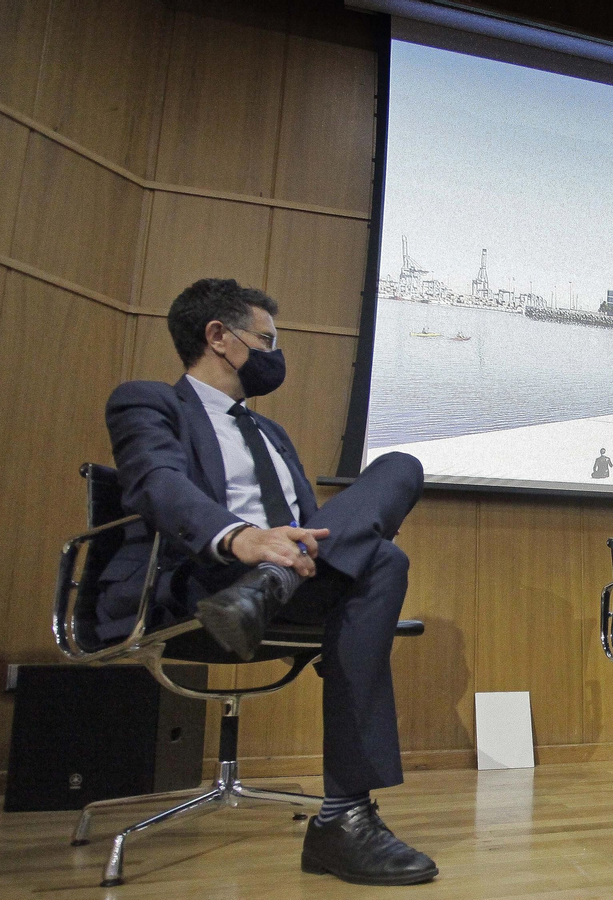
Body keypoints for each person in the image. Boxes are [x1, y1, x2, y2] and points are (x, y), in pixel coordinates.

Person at [98, 278, 437, 886]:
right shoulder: (149, 402)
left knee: (399, 470)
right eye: (267, 339)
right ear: (220, 338)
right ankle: (344, 816)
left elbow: (313, 527)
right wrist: (240, 538)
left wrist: (284, 557)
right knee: (385, 564)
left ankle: (270, 586)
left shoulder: (272, 433)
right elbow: (156, 482)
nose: (275, 355)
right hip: (203, 580)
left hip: (285, 583)